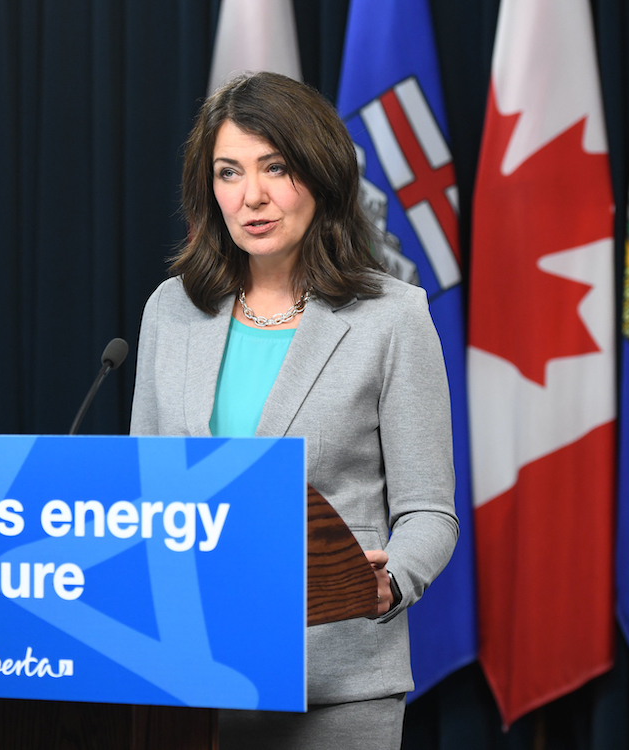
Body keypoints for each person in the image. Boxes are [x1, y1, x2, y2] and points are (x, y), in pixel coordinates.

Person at [129, 71, 458, 749]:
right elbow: (144, 494)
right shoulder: (172, 310)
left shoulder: (392, 317)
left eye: (275, 167)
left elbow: (428, 509)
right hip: (189, 675)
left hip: (335, 681)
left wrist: (387, 585)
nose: (251, 196)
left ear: (320, 171)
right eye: (228, 173)